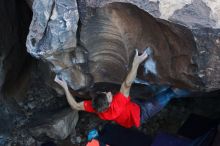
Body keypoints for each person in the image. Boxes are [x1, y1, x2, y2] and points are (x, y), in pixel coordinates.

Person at [54, 49, 190, 128]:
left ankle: (162, 89)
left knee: (154, 91)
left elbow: (75, 106)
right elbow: (127, 84)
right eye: (107, 95)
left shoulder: (96, 107)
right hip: (142, 113)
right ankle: (188, 90)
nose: (108, 92)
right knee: (169, 93)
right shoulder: (118, 103)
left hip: (130, 107)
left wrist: (65, 86)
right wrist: (136, 63)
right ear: (109, 102)